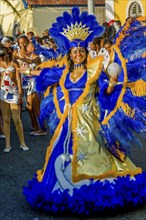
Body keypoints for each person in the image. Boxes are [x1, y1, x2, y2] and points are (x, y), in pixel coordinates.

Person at [23, 8, 146, 215]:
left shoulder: (95, 69)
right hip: (69, 121)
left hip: (89, 120)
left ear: (85, 52)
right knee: (60, 152)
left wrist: (113, 82)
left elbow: (106, 91)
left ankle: (95, 189)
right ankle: (62, 189)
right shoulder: (65, 71)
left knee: (95, 153)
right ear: (70, 54)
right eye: (74, 52)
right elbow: (44, 74)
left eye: (81, 51)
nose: (78, 54)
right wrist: (25, 71)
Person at [0, 46, 29, 152]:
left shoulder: (15, 62)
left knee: (17, 119)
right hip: (2, 92)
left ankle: (22, 142)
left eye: (2, 55)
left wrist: (20, 93)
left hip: (14, 92)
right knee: (6, 119)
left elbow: (18, 77)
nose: (2, 57)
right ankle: (7, 145)